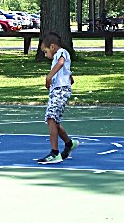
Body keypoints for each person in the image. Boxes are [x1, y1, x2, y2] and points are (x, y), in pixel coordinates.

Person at [37, 32, 78, 164]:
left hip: (60, 91)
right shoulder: (59, 57)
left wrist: (49, 77)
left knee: (50, 118)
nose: (45, 54)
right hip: (58, 90)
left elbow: (61, 63)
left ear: (53, 47)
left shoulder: (62, 53)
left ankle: (54, 152)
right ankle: (69, 144)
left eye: (45, 51)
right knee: (54, 121)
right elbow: (66, 71)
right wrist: (69, 78)